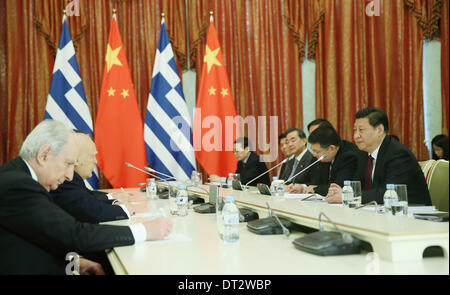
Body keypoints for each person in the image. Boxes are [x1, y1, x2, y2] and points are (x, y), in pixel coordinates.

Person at [0, 120, 173, 274]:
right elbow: (73, 233)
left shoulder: (19, 177)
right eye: (68, 164)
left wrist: (73, 262)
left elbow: (38, 235)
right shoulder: (17, 184)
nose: (69, 175)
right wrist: (145, 231)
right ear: (44, 155)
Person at [326, 107, 431, 206]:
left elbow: (387, 193)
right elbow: (359, 187)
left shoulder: (398, 154)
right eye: (355, 130)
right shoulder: (363, 154)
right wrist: (340, 192)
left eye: (361, 130)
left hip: (412, 214)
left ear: (379, 130)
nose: (356, 136)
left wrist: (347, 196)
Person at [50, 130, 137, 223]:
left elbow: (88, 198)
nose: (95, 161)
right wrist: (125, 209)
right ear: (76, 158)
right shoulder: (66, 180)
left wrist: (113, 201)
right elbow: (91, 211)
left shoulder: (74, 181)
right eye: (91, 156)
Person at [288, 126, 364, 196]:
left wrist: (315, 189)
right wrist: (302, 187)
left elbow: (338, 187)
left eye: (317, 151)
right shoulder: (325, 157)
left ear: (331, 148)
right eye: (313, 151)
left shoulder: (348, 156)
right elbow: (317, 183)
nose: (314, 155)